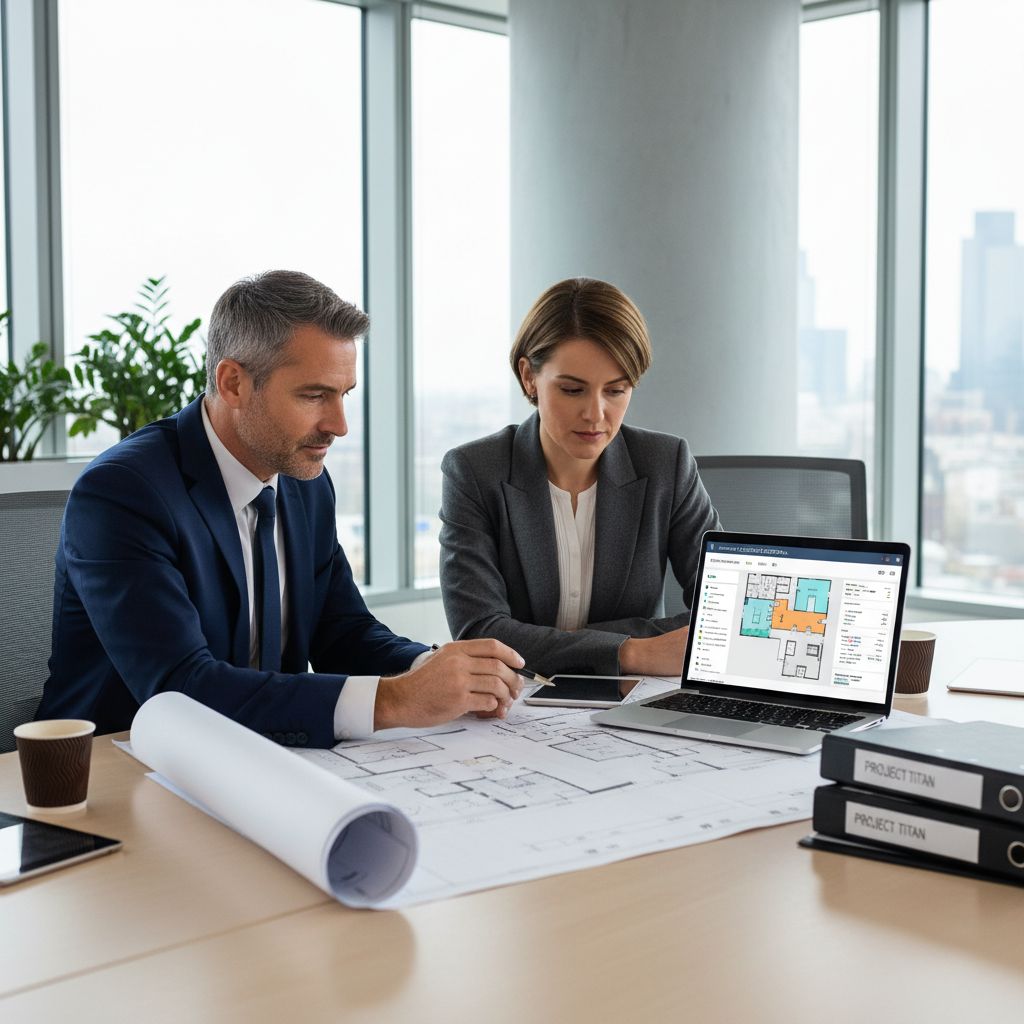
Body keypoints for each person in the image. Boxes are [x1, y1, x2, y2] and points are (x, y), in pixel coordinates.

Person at [38, 270, 524, 747]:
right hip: (116, 770)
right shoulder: (123, 493)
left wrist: (435, 672)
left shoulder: (303, 481)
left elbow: (341, 630)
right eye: (314, 396)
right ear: (232, 383)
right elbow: (179, 688)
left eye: (344, 395)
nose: (338, 425)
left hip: (264, 756)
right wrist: (395, 700)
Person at [439, 277, 720, 679]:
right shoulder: (475, 472)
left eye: (616, 390)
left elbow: (724, 616)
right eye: (573, 390)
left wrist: (545, 641)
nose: (596, 414)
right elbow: (479, 632)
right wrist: (632, 652)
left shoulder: (665, 464)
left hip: (631, 701)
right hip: (518, 707)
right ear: (528, 377)